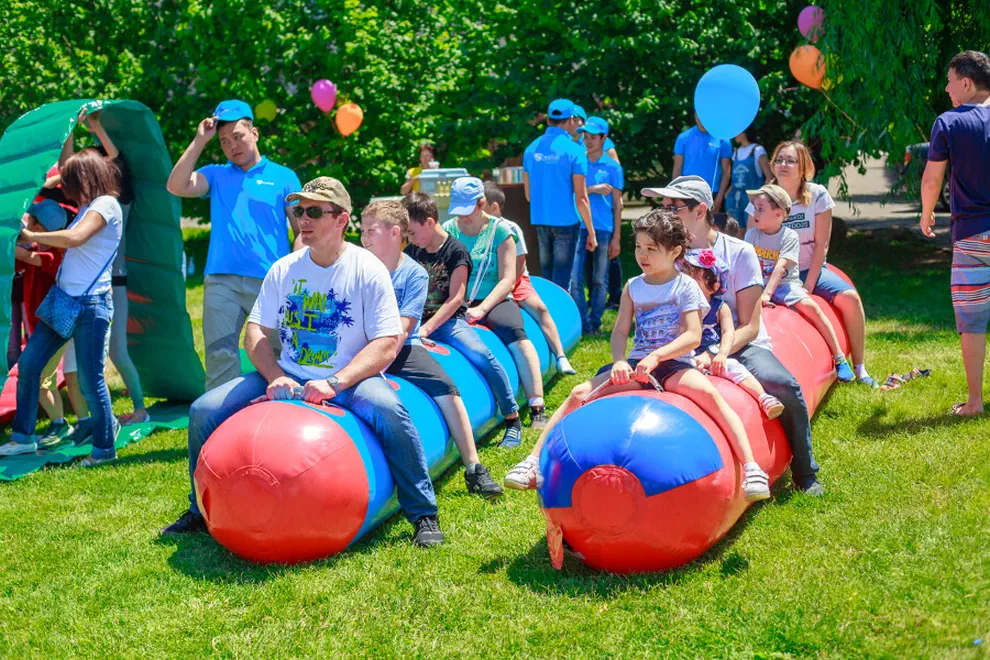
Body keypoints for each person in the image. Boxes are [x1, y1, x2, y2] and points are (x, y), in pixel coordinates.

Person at [162, 177, 444, 547]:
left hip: (350, 379)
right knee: (203, 409)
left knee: (390, 411)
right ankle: (199, 508)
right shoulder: (285, 268)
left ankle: (423, 513)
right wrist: (275, 376)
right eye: (298, 211)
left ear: (341, 219)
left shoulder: (368, 269)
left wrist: (336, 382)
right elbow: (255, 332)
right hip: (289, 373)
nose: (302, 219)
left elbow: (386, 345)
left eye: (313, 211)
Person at [504, 208, 770, 501]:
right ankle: (532, 461)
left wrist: (657, 357)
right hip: (637, 365)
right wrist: (620, 360)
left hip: (674, 365)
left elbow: (692, 336)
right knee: (579, 393)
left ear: (675, 252)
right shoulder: (634, 286)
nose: (642, 255)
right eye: (639, 247)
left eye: (651, 249)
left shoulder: (686, 287)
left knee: (712, 397)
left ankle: (751, 468)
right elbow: (620, 331)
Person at [646, 175, 825, 495]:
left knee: (783, 385)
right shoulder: (664, 253)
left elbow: (750, 326)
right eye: (663, 206)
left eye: (674, 207)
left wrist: (713, 353)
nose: (665, 214)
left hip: (738, 343)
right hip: (682, 344)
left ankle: (805, 471)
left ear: (700, 210)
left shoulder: (739, 252)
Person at [360, 200, 503, 498]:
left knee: (447, 389)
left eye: (370, 231)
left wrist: (378, 366)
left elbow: (402, 329)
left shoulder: (414, 273)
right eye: (362, 231)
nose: (363, 238)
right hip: (362, 346)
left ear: (394, 233)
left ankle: (474, 467)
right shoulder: (358, 267)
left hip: (403, 347)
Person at [166, 99, 302, 391]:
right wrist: (200, 141)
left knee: (277, 355)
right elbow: (175, 186)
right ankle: (220, 415)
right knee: (220, 356)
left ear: (255, 133)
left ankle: (280, 409)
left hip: (270, 281)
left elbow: (302, 231)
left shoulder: (284, 177)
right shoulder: (216, 174)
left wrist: (295, 274)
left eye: (238, 136)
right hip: (221, 281)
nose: (232, 146)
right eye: (224, 141)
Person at [0, 150, 123, 466]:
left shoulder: (106, 204)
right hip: (64, 300)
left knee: (90, 381)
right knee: (29, 365)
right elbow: (59, 185)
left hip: (91, 305)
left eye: (71, 183)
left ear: (87, 179)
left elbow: (76, 238)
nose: (66, 190)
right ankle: (23, 438)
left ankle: (104, 450)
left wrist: (30, 235)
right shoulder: (86, 207)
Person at [748, 141, 876, 387]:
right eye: (779, 160)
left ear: (804, 167)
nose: (783, 165)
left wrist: (808, 285)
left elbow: (821, 245)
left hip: (809, 268)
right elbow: (751, 246)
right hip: (771, 275)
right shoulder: (761, 198)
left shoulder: (817, 194)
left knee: (850, 298)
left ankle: (859, 367)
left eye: (791, 160)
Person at [403, 192, 526, 447]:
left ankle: (512, 417)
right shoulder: (412, 250)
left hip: (448, 322)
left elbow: (456, 298)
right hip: (415, 322)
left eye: (412, 232)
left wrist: (427, 328)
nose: (410, 239)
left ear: (429, 222)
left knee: (481, 354)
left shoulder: (456, 251)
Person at [57, 107, 148, 424]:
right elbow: (66, 170)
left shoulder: (115, 201)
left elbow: (118, 165)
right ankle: (96, 417)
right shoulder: (88, 204)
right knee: (89, 358)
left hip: (113, 284)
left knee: (117, 352)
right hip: (86, 291)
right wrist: (69, 131)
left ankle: (140, 409)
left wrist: (97, 128)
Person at [443, 177, 549, 428]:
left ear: (481, 204)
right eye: (458, 210)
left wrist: (482, 309)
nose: (462, 217)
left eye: (467, 210)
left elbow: (507, 279)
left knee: (517, 337)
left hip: (495, 298)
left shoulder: (501, 231)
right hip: (458, 298)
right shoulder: (449, 229)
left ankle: (537, 405)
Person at [919, 50, 990, 416]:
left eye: (949, 82)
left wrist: (926, 213)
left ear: (966, 82)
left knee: (973, 320)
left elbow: (933, 179)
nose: (946, 89)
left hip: (971, 235)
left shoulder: (948, 122)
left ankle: (975, 403)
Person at [745, 185, 855, 382]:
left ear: (779, 213)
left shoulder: (789, 236)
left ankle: (839, 358)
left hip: (785, 285)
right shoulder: (752, 235)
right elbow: (747, 265)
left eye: (760, 209)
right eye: (755, 208)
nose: (754, 213)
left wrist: (767, 294)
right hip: (759, 285)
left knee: (812, 308)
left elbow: (781, 267)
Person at [481, 181, 576, 375]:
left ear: (494, 207)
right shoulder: (475, 231)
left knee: (540, 308)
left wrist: (509, 287)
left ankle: (560, 355)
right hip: (489, 282)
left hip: (516, 281)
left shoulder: (510, 228)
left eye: (480, 205)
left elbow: (520, 262)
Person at [680, 248, 785, 419]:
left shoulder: (720, 308)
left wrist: (721, 354)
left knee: (735, 367)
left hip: (712, 356)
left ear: (713, 287)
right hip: (688, 357)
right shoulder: (683, 307)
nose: (688, 284)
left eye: (694, 280)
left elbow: (728, 332)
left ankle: (763, 397)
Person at [13, 201, 75, 446]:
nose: (26, 223)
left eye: (30, 221)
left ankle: (60, 424)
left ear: (38, 227)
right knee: (43, 379)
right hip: (40, 329)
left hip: (51, 329)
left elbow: (25, 255)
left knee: (38, 378)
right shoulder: (40, 248)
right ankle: (59, 423)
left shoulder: (56, 255)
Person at [523, 98, 596, 290]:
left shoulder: (530, 150)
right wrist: (591, 231)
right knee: (563, 281)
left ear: (548, 120)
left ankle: (546, 310)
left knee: (547, 278)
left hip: (540, 220)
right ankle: (562, 310)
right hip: (566, 222)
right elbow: (581, 197)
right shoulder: (575, 150)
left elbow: (529, 195)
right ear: (571, 120)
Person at [572, 117, 623, 334]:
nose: (588, 140)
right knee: (575, 278)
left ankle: (595, 322)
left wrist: (616, 238)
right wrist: (593, 189)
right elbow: (572, 192)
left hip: (603, 228)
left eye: (593, 137)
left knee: (600, 279)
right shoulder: (577, 162)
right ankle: (581, 321)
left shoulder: (613, 167)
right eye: (585, 136)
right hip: (578, 227)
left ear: (604, 138)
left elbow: (618, 205)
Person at [672, 113, 732, 214]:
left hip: (713, 194)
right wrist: (674, 195)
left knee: (714, 224)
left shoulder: (723, 140)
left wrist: (719, 198)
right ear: (695, 115)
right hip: (687, 193)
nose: (700, 118)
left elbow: (726, 173)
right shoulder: (683, 138)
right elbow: (677, 170)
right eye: (698, 114)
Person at [726, 128, 773, 232]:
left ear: (745, 132)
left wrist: (761, 198)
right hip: (735, 198)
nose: (734, 134)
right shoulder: (736, 153)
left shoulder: (757, 150)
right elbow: (734, 178)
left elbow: (769, 177)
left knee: (752, 231)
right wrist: (727, 194)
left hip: (752, 198)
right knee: (735, 231)